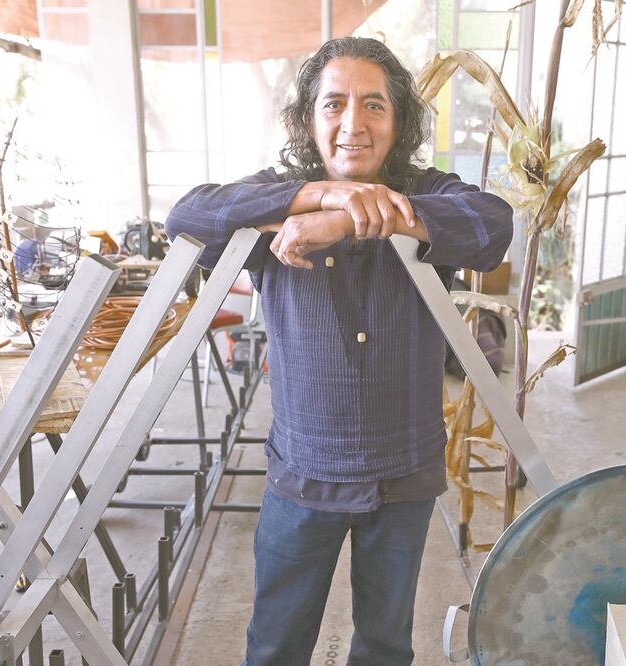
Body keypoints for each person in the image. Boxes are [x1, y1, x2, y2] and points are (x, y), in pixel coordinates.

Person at [165, 36, 512, 666]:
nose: (354, 123)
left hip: (403, 471)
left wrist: (351, 218)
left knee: (384, 646)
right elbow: (188, 216)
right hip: (303, 470)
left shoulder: (429, 193)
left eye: (375, 105)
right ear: (308, 118)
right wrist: (320, 197)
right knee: (275, 646)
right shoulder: (279, 197)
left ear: (399, 120)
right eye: (334, 105)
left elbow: (493, 224)